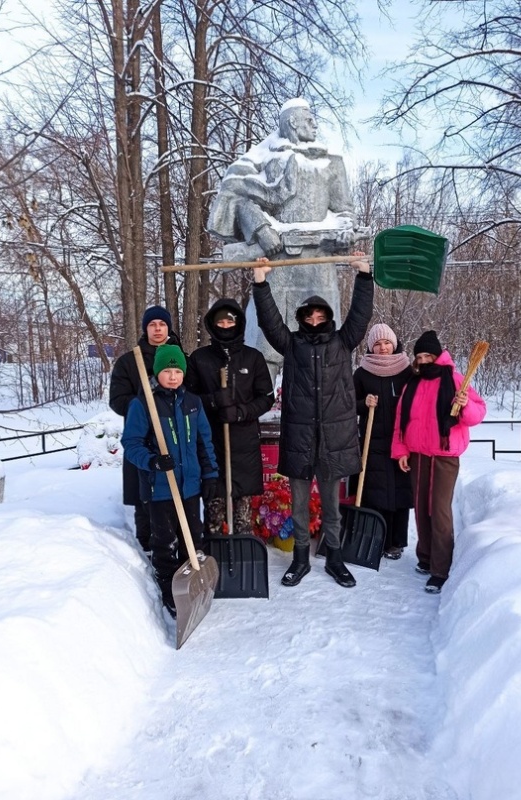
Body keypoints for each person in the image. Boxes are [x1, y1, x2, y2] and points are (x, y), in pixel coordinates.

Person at [208, 97, 370, 380]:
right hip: (276, 264)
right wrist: (261, 229)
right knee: (265, 341)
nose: (315, 125)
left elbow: (344, 210)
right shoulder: (263, 160)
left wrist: (345, 229)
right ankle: (260, 403)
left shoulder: (331, 163)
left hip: (318, 266)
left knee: (323, 344)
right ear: (293, 123)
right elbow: (239, 197)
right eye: (309, 120)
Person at [252, 252, 374, 588]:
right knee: (300, 504)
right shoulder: (291, 345)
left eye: (321, 314)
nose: (316, 319)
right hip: (301, 438)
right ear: (303, 318)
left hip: (333, 439)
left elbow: (361, 317)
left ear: (328, 317)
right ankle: (301, 558)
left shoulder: (342, 342)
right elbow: (269, 322)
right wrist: (261, 283)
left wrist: (364, 277)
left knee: (333, 506)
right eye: (310, 315)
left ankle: (334, 558)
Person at [121, 344, 218, 616]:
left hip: (189, 486)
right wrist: (152, 461)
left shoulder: (193, 403)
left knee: (193, 537)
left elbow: (204, 442)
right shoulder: (143, 404)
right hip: (160, 488)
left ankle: (191, 584)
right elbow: (131, 443)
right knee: (165, 541)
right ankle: (167, 585)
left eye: (177, 370)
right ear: (157, 372)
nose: (173, 376)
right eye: (167, 370)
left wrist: (210, 474)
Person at [392, 330, 487, 594]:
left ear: (437, 355)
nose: (423, 361)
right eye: (419, 356)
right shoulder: (413, 383)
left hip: (444, 456)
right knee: (421, 509)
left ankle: (440, 569)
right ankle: (425, 557)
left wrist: (465, 404)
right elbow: (402, 420)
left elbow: (478, 414)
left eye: (428, 355)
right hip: (418, 455)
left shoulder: (455, 379)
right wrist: (400, 451)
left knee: (439, 510)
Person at [185, 299, 274, 535]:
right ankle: (215, 555)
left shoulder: (252, 358)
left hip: (244, 444)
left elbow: (266, 397)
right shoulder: (199, 358)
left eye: (230, 321)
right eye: (220, 321)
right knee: (214, 511)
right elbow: (187, 399)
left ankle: (243, 554)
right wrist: (214, 401)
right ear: (212, 325)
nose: (225, 325)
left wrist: (241, 411)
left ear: (239, 323)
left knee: (243, 516)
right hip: (211, 443)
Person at [109, 305, 182, 552]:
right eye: (152, 324)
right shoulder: (130, 361)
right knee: (146, 495)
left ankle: (179, 548)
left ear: (169, 327)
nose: (158, 329)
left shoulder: (179, 358)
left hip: (174, 437)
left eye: (162, 324)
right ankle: (148, 550)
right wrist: (144, 399)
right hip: (142, 438)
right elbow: (117, 401)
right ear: (145, 328)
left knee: (177, 494)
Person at [353, 323, 414, 560]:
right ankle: (376, 539)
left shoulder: (406, 371)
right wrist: (363, 404)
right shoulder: (362, 373)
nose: (383, 348)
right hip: (372, 441)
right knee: (375, 492)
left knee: (400, 491)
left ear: (395, 343)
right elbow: (349, 402)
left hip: (401, 441)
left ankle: (396, 541)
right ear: (370, 347)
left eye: (387, 342)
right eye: (377, 344)